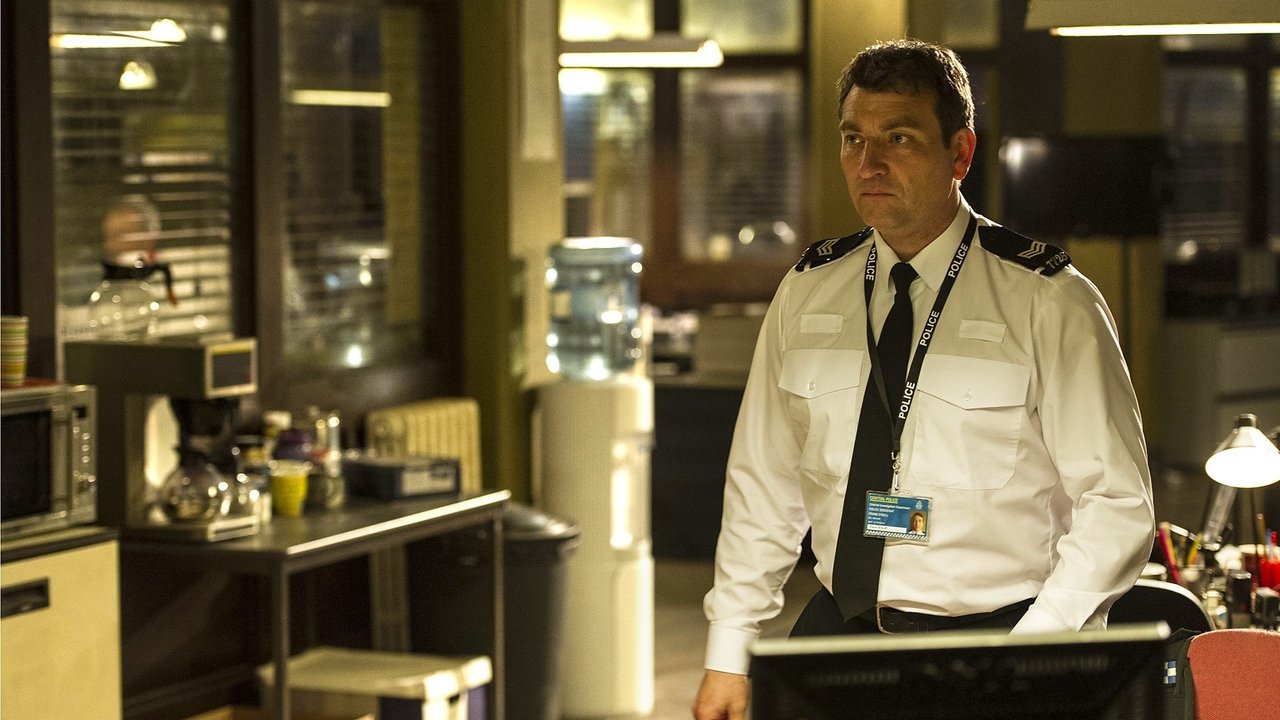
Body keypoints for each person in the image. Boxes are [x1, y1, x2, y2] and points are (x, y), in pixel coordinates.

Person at [692, 39, 1155, 720]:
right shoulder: (809, 288)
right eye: (853, 138)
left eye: (899, 138)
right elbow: (762, 486)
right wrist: (729, 651)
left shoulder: (1048, 299)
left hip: (997, 641)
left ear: (960, 154)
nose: (868, 164)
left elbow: (1117, 503)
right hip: (841, 633)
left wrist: (1035, 652)